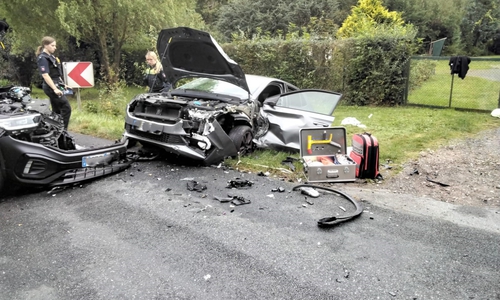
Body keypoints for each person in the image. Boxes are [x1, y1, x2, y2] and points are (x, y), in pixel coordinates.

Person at [36, 36, 71, 129]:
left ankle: (54, 130)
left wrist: (63, 84)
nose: (55, 47)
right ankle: (63, 131)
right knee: (66, 108)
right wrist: (55, 89)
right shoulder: (42, 58)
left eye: (55, 46)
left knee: (57, 110)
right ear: (45, 45)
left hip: (57, 84)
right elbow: (45, 75)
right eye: (52, 45)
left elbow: (56, 73)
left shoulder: (51, 57)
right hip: (50, 86)